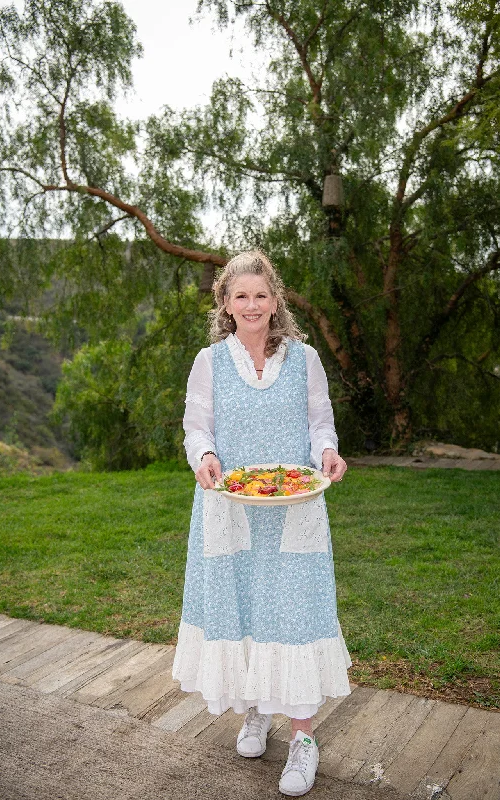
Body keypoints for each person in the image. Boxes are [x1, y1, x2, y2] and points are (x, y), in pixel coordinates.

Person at [172, 250, 351, 796]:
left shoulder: (304, 358)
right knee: (243, 607)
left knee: (293, 614)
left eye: (261, 295)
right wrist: (203, 457)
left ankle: (302, 739)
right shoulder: (209, 361)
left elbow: (321, 420)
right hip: (229, 504)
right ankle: (256, 712)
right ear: (226, 303)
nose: (251, 304)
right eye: (240, 295)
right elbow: (196, 427)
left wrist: (328, 452)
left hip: (293, 502)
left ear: (276, 302)